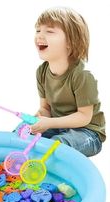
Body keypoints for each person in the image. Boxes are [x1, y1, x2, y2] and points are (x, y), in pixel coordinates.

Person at [31, 7, 106, 157]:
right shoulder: (42, 71)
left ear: (71, 42)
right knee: (22, 134)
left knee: (56, 146)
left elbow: (84, 117)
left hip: (87, 132)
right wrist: (39, 118)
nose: (40, 35)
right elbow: (45, 108)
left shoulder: (83, 75)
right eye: (38, 30)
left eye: (49, 31)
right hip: (57, 125)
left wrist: (49, 123)